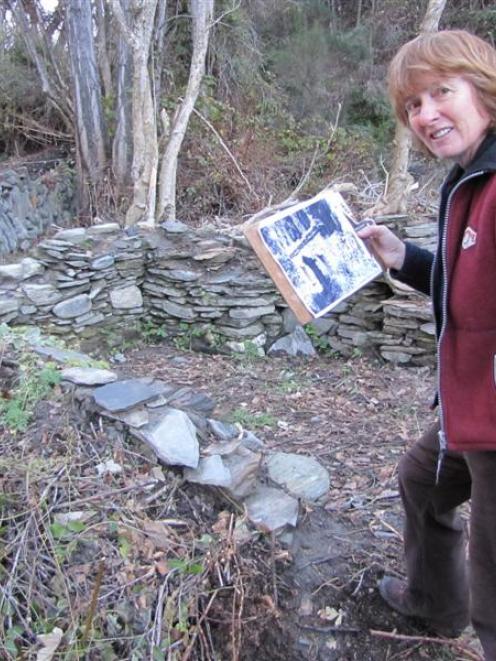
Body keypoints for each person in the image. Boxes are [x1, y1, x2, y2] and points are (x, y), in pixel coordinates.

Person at [357, 29, 496, 660]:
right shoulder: (473, 177)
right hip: (466, 411)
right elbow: (470, 283)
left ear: (484, 90)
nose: (426, 114)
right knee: (421, 482)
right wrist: (403, 257)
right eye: (413, 104)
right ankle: (436, 604)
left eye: (443, 92)